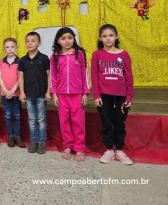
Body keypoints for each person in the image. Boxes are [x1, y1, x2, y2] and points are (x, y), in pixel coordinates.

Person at [91, 24, 134, 165]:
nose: (108, 38)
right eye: (104, 36)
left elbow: (129, 77)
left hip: (121, 96)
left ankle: (120, 150)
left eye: (110, 35)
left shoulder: (124, 54)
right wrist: (96, 95)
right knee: (106, 123)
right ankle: (109, 149)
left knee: (120, 123)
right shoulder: (97, 55)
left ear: (116, 37)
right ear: (100, 38)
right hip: (104, 95)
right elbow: (94, 77)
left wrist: (129, 96)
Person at [50, 27, 90, 161]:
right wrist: (54, 93)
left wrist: (85, 93)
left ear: (74, 39)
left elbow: (85, 75)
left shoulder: (80, 55)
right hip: (61, 95)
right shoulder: (55, 57)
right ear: (58, 41)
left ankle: (79, 148)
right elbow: (53, 76)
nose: (67, 41)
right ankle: (67, 146)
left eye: (70, 38)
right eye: (63, 38)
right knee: (64, 121)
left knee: (78, 122)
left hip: (77, 94)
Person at [18, 32, 51, 154]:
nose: (30, 43)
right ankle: (34, 142)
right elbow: (20, 77)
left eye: (33, 40)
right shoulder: (23, 60)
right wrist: (21, 92)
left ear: (39, 43)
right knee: (32, 120)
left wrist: (48, 91)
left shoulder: (44, 58)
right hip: (29, 95)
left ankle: (42, 143)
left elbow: (49, 76)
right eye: (27, 41)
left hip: (41, 95)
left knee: (41, 119)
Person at [0, 38, 25, 148]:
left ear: (16, 47)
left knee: (17, 115)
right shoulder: (1, 61)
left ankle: (17, 136)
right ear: (4, 49)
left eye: (12, 47)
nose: (10, 49)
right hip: (5, 94)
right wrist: (5, 90)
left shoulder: (20, 61)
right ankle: (10, 136)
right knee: (8, 115)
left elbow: (20, 78)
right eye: (7, 47)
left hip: (16, 94)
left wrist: (13, 91)